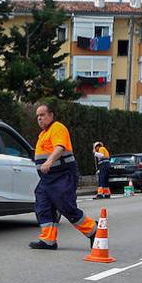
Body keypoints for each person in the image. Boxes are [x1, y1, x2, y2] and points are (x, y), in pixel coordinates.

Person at [30, 104, 97, 250]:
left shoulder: (57, 128)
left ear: (51, 115)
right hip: (48, 179)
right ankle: (48, 240)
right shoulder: (43, 134)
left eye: (42, 115)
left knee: (66, 205)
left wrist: (49, 161)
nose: (39, 118)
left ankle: (94, 230)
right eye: (38, 116)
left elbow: (59, 147)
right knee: (43, 205)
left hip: (63, 175)